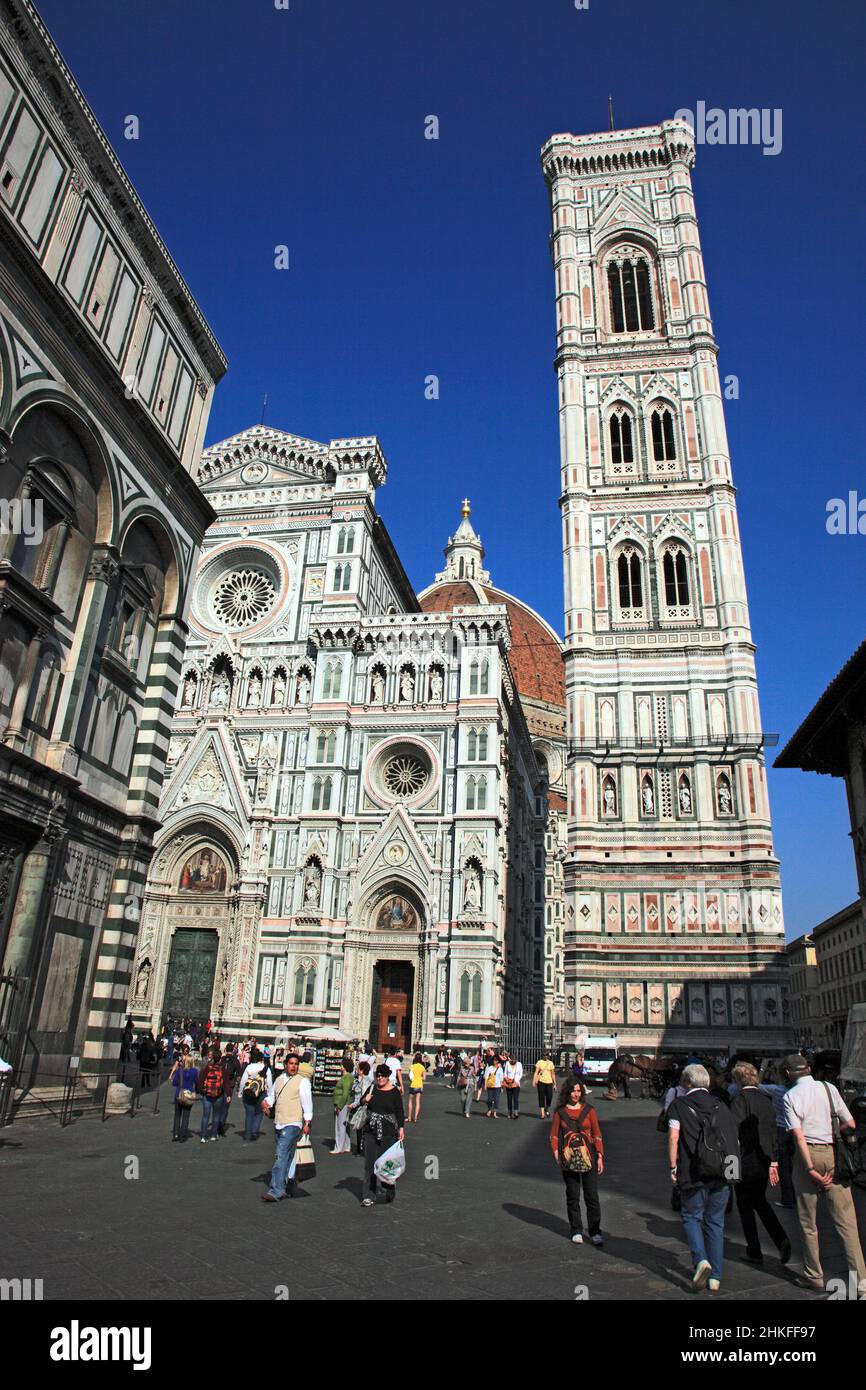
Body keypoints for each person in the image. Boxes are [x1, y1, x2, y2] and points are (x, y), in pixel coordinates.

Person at [782, 1053, 866, 1295]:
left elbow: (797, 1136)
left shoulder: (790, 1096)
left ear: (788, 1074)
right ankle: (861, 1283)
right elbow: (850, 1124)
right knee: (847, 1222)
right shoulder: (829, 1088)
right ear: (808, 1069)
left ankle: (814, 1276)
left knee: (808, 1222)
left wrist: (809, 1168)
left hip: (806, 1155)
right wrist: (832, 1130)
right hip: (833, 1154)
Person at [667, 1063, 740, 1293]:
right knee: (716, 1223)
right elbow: (733, 1141)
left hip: (693, 1170)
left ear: (687, 1082)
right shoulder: (721, 1105)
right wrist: (732, 1174)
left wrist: (672, 1167)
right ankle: (715, 1278)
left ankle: (701, 1260)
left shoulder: (679, 1105)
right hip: (721, 1171)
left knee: (691, 1216)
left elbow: (673, 1138)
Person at [729, 1062, 791, 1268]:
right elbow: (772, 1131)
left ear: (738, 1080)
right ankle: (780, 1238)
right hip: (764, 1159)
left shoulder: (738, 1100)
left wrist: (730, 1165)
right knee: (760, 1201)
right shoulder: (766, 1100)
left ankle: (754, 1250)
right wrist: (773, 1161)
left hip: (745, 1159)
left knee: (745, 1205)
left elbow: (733, 1133)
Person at [550, 1077, 604, 1244]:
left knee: (591, 1196)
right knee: (572, 1195)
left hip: (589, 1157)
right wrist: (557, 1153)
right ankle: (576, 1229)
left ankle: (595, 1231)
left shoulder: (590, 1111)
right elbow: (553, 1135)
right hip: (569, 1158)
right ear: (567, 1092)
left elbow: (597, 1134)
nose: (576, 1094)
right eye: (573, 1090)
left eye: (579, 1091)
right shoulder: (560, 1112)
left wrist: (600, 1156)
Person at [261, 1053, 313, 1202]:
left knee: (280, 1156)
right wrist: (266, 1103)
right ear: (285, 1064)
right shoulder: (279, 1080)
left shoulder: (302, 1082)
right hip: (279, 1122)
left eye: (296, 1064)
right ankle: (287, 1186)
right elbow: (272, 1097)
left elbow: (307, 1103)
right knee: (288, 1158)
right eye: (291, 1063)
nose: (293, 1066)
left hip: (293, 1124)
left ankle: (275, 1190)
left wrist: (307, 1122)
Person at [362, 1063, 405, 1207]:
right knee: (370, 1165)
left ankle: (389, 1188)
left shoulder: (394, 1092)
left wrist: (401, 1129)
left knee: (387, 1163)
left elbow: (399, 1111)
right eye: (378, 1075)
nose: (380, 1078)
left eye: (383, 1076)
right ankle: (369, 1195)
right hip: (371, 1130)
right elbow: (361, 1102)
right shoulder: (372, 1088)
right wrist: (364, 1100)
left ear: (388, 1077)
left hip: (388, 1133)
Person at [759, 1063, 795, 1208]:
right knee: (795, 1165)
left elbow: (758, 1085)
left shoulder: (776, 1090)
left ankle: (787, 1198)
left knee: (784, 1166)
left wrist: (762, 1068)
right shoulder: (796, 1091)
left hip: (780, 1129)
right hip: (795, 1129)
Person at [237, 1047, 272, 1142]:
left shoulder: (249, 1067)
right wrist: (269, 1095)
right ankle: (254, 1130)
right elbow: (269, 1083)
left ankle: (247, 1134)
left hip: (248, 1092)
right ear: (261, 1058)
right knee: (259, 1113)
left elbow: (243, 1081)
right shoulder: (266, 1068)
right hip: (261, 1093)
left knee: (249, 1114)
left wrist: (240, 1092)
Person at [196, 1047, 226, 1143]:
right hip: (218, 1095)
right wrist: (228, 1094)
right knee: (216, 1116)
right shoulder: (222, 1069)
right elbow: (226, 1083)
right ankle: (213, 1135)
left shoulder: (207, 1068)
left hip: (207, 1095)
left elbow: (200, 1080)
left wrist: (201, 1091)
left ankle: (203, 1137)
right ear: (220, 1058)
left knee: (205, 1116)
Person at [169, 1046, 198, 1143]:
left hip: (179, 1094)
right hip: (189, 1095)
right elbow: (197, 1082)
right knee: (186, 1116)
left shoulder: (179, 1071)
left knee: (177, 1115)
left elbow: (174, 1083)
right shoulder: (194, 1071)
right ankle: (182, 1136)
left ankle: (175, 1134)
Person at [349, 1060, 373, 1154]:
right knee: (361, 1129)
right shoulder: (361, 1080)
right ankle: (360, 1148)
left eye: (358, 1068)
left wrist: (354, 1104)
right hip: (360, 1106)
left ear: (362, 1070)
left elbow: (363, 1096)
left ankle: (361, 1149)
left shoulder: (365, 1081)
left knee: (361, 1128)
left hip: (362, 1107)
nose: (357, 1070)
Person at [331, 1057, 354, 1155]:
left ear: (345, 1067)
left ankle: (338, 1147)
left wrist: (339, 1106)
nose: (340, 1066)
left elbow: (345, 1093)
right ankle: (346, 1145)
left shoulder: (346, 1077)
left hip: (342, 1103)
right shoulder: (347, 1077)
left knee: (340, 1126)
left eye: (342, 1065)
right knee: (345, 1125)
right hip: (344, 1103)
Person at [219, 1043, 241, 1135]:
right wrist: (238, 1086)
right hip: (230, 1084)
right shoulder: (235, 1060)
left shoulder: (222, 1059)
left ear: (225, 1050)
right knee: (226, 1105)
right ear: (233, 1050)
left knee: (219, 1104)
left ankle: (218, 1122)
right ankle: (221, 1123)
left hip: (220, 1083)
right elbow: (239, 1074)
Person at [534, 1051, 556, 1119]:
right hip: (541, 1081)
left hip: (549, 1082)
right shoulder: (539, 1062)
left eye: (546, 1055)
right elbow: (536, 1072)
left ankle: (547, 1108)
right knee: (541, 1097)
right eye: (544, 1055)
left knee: (549, 1097)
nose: (545, 1056)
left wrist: (555, 1083)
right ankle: (542, 1113)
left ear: (548, 1056)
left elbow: (553, 1074)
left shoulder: (550, 1063)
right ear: (542, 1056)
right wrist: (534, 1081)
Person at [484, 1052, 504, 1118]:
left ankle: (494, 1112)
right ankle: (489, 1110)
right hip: (490, 1086)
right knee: (489, 1099)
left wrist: (502, 1087)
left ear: (498, 1061)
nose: (494, 1061)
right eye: (493, 1059)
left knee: (496, 1099)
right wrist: (485, 1085)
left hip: (497, 1086)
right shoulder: (489, 1068)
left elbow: (501, 1079)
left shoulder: (500, 1069)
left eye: (495, 1060)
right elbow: (486, 1077)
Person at [503, 1052, 523, 1118]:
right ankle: (509, 1113)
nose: (513, 1061)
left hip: (516, 1084)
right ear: (510, 1059)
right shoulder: (507, 1064)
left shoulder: (519, 1064)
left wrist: (516, 1081)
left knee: (516, 1099)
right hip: (509, 1083)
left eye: (515, 1060)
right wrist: (507, 1079)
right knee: (509, 1099)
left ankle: (516, 1112)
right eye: (512, 1060)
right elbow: (505, 1073)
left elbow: (520, 1074)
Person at [407, 1052, 425, 1123]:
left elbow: (409, 1077)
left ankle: (409, 1116)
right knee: (417, 1102)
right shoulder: (422, 1067)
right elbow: (424, 1078)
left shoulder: (412, 1066)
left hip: (413, 1085)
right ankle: (415, 1117)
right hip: (419, 1085)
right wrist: (419, 1077)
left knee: (410, 1101)